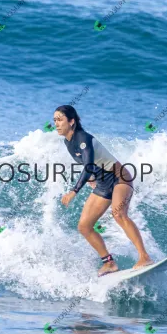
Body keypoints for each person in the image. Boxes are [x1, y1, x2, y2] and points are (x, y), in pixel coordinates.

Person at [54, 105, 154, 277]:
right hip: (102, 183)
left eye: (60, 119)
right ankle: (109, 263)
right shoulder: (68, 142)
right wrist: (92, 180)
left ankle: (144, 257)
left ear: (71, 122)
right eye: (55, 120)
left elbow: (88, 165)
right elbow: (86, 163)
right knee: (84, 226)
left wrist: (74, 191)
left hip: (119, 177)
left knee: (118, 214)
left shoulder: (83, 138)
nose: (56, 123)